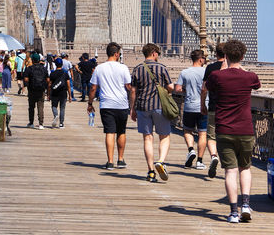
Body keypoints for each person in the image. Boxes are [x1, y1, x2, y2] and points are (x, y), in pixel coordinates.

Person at [205, 39, 260, 223]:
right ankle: (246, 205)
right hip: (245, 130)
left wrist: (224, 68)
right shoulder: (250, 77)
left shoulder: (217, 77)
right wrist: (240, 67)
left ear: (225, 56)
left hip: (224, 129)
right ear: (243, 56)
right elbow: (257, 85)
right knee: (245, 168)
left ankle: (234, 213)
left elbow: (209, 87)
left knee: (230, 171)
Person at [130, 43, 174, 182]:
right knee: (164, 136)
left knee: (148, 138)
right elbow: (170, 87)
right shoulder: (162, 68)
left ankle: (150, 172)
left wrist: (132, 108)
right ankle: (160, 161)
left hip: (143, 107)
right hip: (160, 106)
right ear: (154, 53)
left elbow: (133, 91)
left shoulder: (137, 69)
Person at [88, 42, 131, 170]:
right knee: (121, 131)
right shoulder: (123, 68)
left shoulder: (99, 68)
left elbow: (93, 88)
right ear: (117, 54)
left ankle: (110, 161)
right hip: (122, 104)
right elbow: (129, 86)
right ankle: (121, 159)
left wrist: (90, 103)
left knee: (110, 132)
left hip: (106, 104)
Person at [174, 49, 209, 170]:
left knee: (187, 131)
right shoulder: (206, 72)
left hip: (189, 106)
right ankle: (199, 161)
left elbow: (177, 89)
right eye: (204, 58)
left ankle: (190, 149)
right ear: (200, 59)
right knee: (202, 133)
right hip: (204, 106)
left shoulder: (185, 72)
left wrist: (186, 90)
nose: (205, 60)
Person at [200, 43, 225, 178]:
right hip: (229, 110)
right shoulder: (232, 68)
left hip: (214, 107)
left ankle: (214, 156)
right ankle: (230, 164)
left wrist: (202, 104)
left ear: (216, 54)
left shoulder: (210, 68)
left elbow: (204, 89)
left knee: (211, 136)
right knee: (228, 137)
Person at [24, 52, 50, 129]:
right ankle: (41, 124)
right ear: (39, 60)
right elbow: (48, 80)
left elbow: (25, 79)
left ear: (32, 60)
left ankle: (31, 123)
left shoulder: (29, 68)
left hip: (32, 90)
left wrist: (29, 84)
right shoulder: (44, 69)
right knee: (40, 107)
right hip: (41, 90)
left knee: (31, 107)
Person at [49, 58, 72, 128]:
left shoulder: (52, 73)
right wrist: (70, 95)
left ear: (55, 64)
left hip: (55, 92)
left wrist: (48, 94)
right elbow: (68, 85)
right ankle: (61, 124)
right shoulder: (65, 73)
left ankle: (56, 115)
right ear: (62, 64)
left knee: (54, 106)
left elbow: (50, 85)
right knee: (62, 108)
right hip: (63, 93)